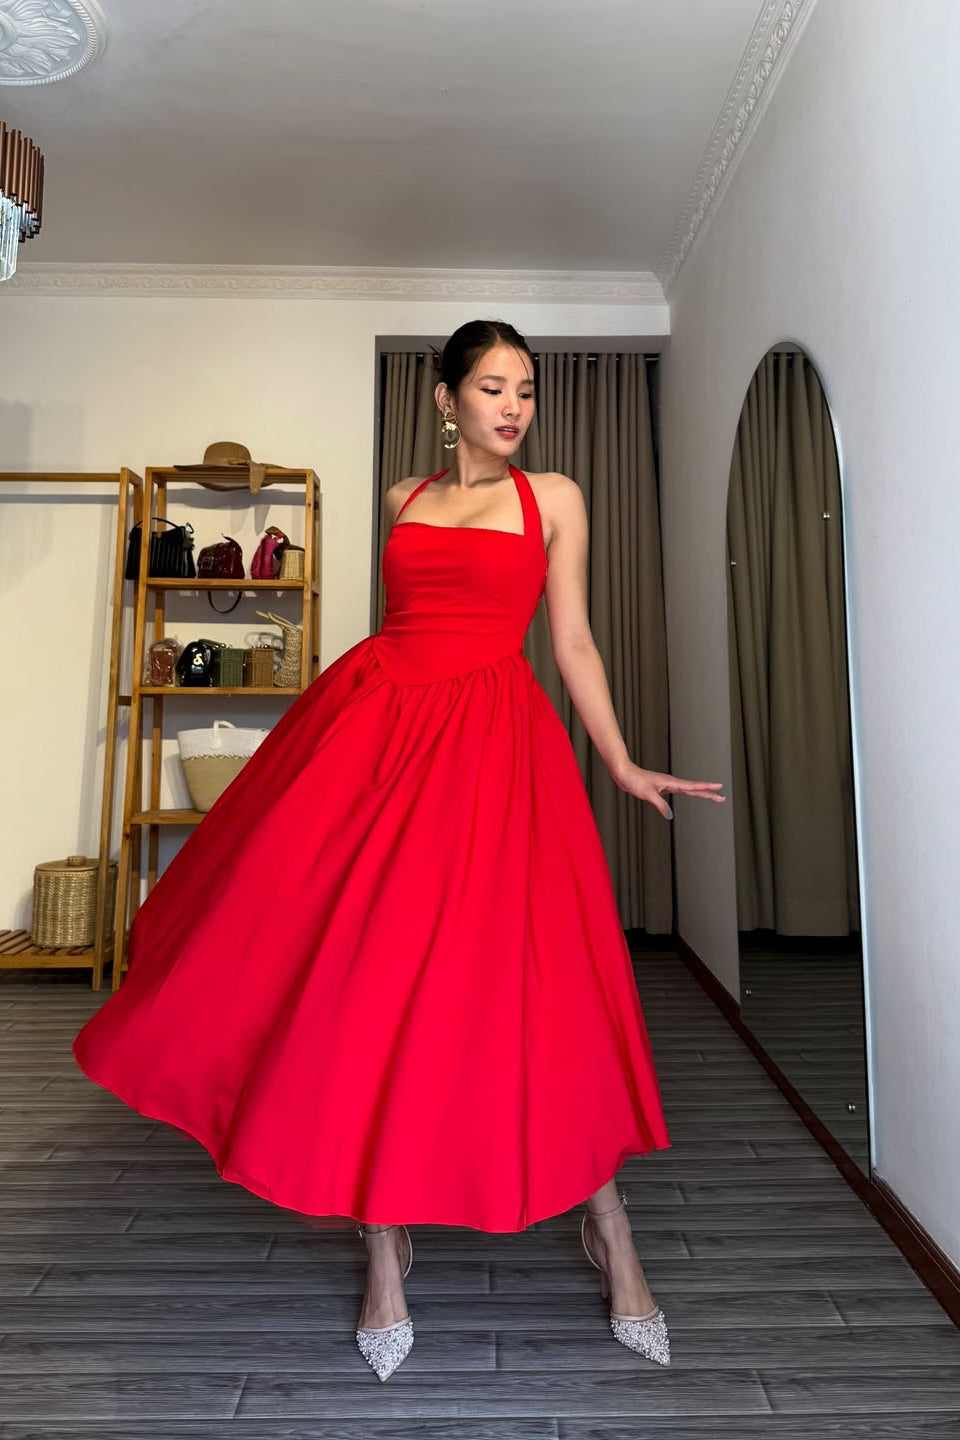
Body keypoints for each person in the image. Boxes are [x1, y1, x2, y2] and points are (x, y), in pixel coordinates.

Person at [72, 319, 725, 1382]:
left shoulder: (553, 498)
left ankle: (608, 1229)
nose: (512, 407)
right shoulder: (402, 503)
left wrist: (619, 762)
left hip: (498, 749)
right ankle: (384, 1242)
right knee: (363, 981)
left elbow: (571, 641)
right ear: (445, 398)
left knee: (537, 988)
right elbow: (409, 625)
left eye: (525, 390)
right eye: (492, 387)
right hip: (383, 738)